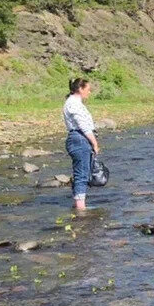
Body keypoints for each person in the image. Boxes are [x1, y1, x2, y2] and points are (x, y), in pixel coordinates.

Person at [63, 78, 100, 210]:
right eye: (88, 89)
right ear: (80, 89)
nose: (89, 92)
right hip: (79, 139)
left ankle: (78, 204)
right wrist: (94, 143)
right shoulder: (74, 104)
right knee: (82, 175)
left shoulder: (74, 103)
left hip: (78, 139)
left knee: (81, 173)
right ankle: (81, 208)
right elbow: (83, 126)